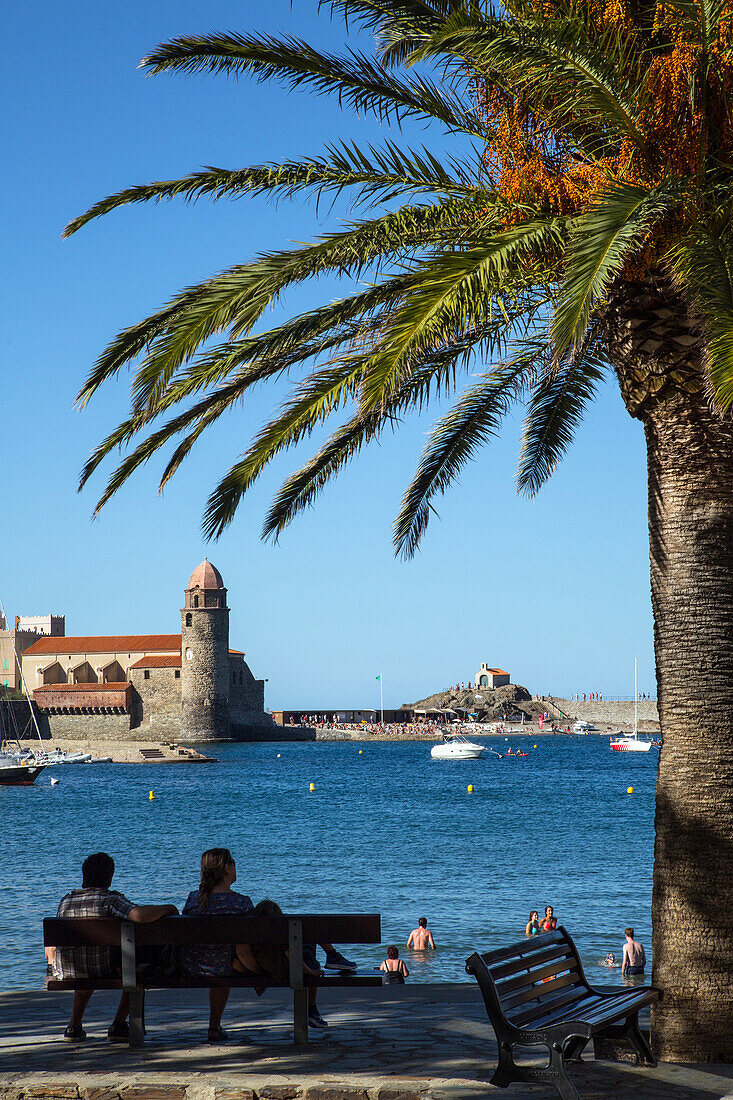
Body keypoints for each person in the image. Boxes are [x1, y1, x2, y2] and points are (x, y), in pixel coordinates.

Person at [54, 852, 179, 1042]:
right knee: (134, 969)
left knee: (84, 961)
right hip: (101, 969)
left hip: (70, 969)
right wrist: (168, 908)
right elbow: (139, 915)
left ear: (84, 877)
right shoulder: (109, 900)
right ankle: (119, 1024)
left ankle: (73, 1026)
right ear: (110, 879)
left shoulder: (66, 902)